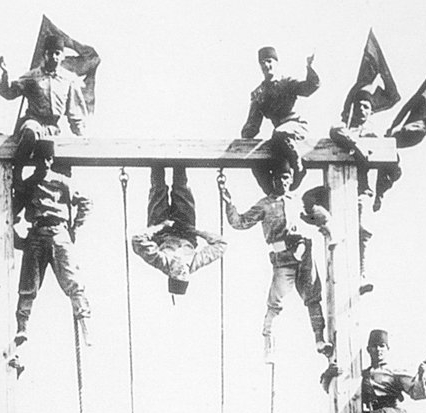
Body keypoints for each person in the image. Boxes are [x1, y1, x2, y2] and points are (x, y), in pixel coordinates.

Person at [222, 162, 332, 363]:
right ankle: (269, 347)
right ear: (273, 180)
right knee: (275, 303)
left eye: (286, 178)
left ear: (291, 180)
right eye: (279, 178)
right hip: (282, 256)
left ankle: (320, 339)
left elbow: (315, 217)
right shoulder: (264, 204)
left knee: (313, 297)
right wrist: (229, 204)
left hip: (303, 251)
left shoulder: (298, 201)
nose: (282, 182)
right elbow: (240, 222)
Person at [13, 139, 92, 348]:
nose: (45, 164)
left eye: (48, 159)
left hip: (59, 233)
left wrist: (74, 228)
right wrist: (16, 237)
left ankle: (85, 322)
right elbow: (10, 211)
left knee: (72, 280)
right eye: (41, 160)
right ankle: (22, 326)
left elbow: (85, 202)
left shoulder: (62, 182)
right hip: (37, 234)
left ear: (51, 159)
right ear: (35, 161)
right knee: (28, 284)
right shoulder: (28, 184)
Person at [0, 35, 87, 186]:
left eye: (57, 53)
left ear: (62, 55)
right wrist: (5, 75)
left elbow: (75, 113)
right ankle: (17, 172)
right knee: (30, 132)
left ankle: (29, 189)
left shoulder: (68, 80)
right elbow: (8, 92)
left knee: (45, 168)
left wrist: (82, 137)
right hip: (33, 120)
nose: (53, 57)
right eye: (49, 53)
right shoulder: (32, 77)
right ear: (44, 54)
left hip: (52, 128)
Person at [131, 167, 226, 298]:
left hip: (162, 231)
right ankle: (180, 162)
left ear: (170, 274)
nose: (182, 271)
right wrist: (196, 231)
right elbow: (221, 245)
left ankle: (156, 161)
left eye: (178, 274)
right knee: (182, 189)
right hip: (186, 231)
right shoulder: (194, 263)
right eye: (185, 275)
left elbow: (137, 240)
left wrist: (160, 226)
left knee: (158, 190)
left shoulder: (161, 262)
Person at [241, 47, 320, 193]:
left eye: (269, 61)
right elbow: (253, 124)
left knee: (280, 132)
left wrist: (310, 68)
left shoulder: (286, 83)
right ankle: (271, 192)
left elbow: (310, 88)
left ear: (276, 63)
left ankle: (298, 167)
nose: (266, 66)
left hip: (295, 127)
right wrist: (243, 140)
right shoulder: (259, 93)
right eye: (262, 63)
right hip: (278, 136)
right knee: (256, 158)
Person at [329, 90, 383, 293]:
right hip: (337, 187)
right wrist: (356, 146)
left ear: (371, 112)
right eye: (358, 105)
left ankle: (361, 274)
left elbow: (393, 168)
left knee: (363, 228)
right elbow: (335, 130)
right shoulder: (343, 130)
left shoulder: (373, 135)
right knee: (311, 202)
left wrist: (381, 193)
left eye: (366, 106)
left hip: (361, 189)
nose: (361, 109)